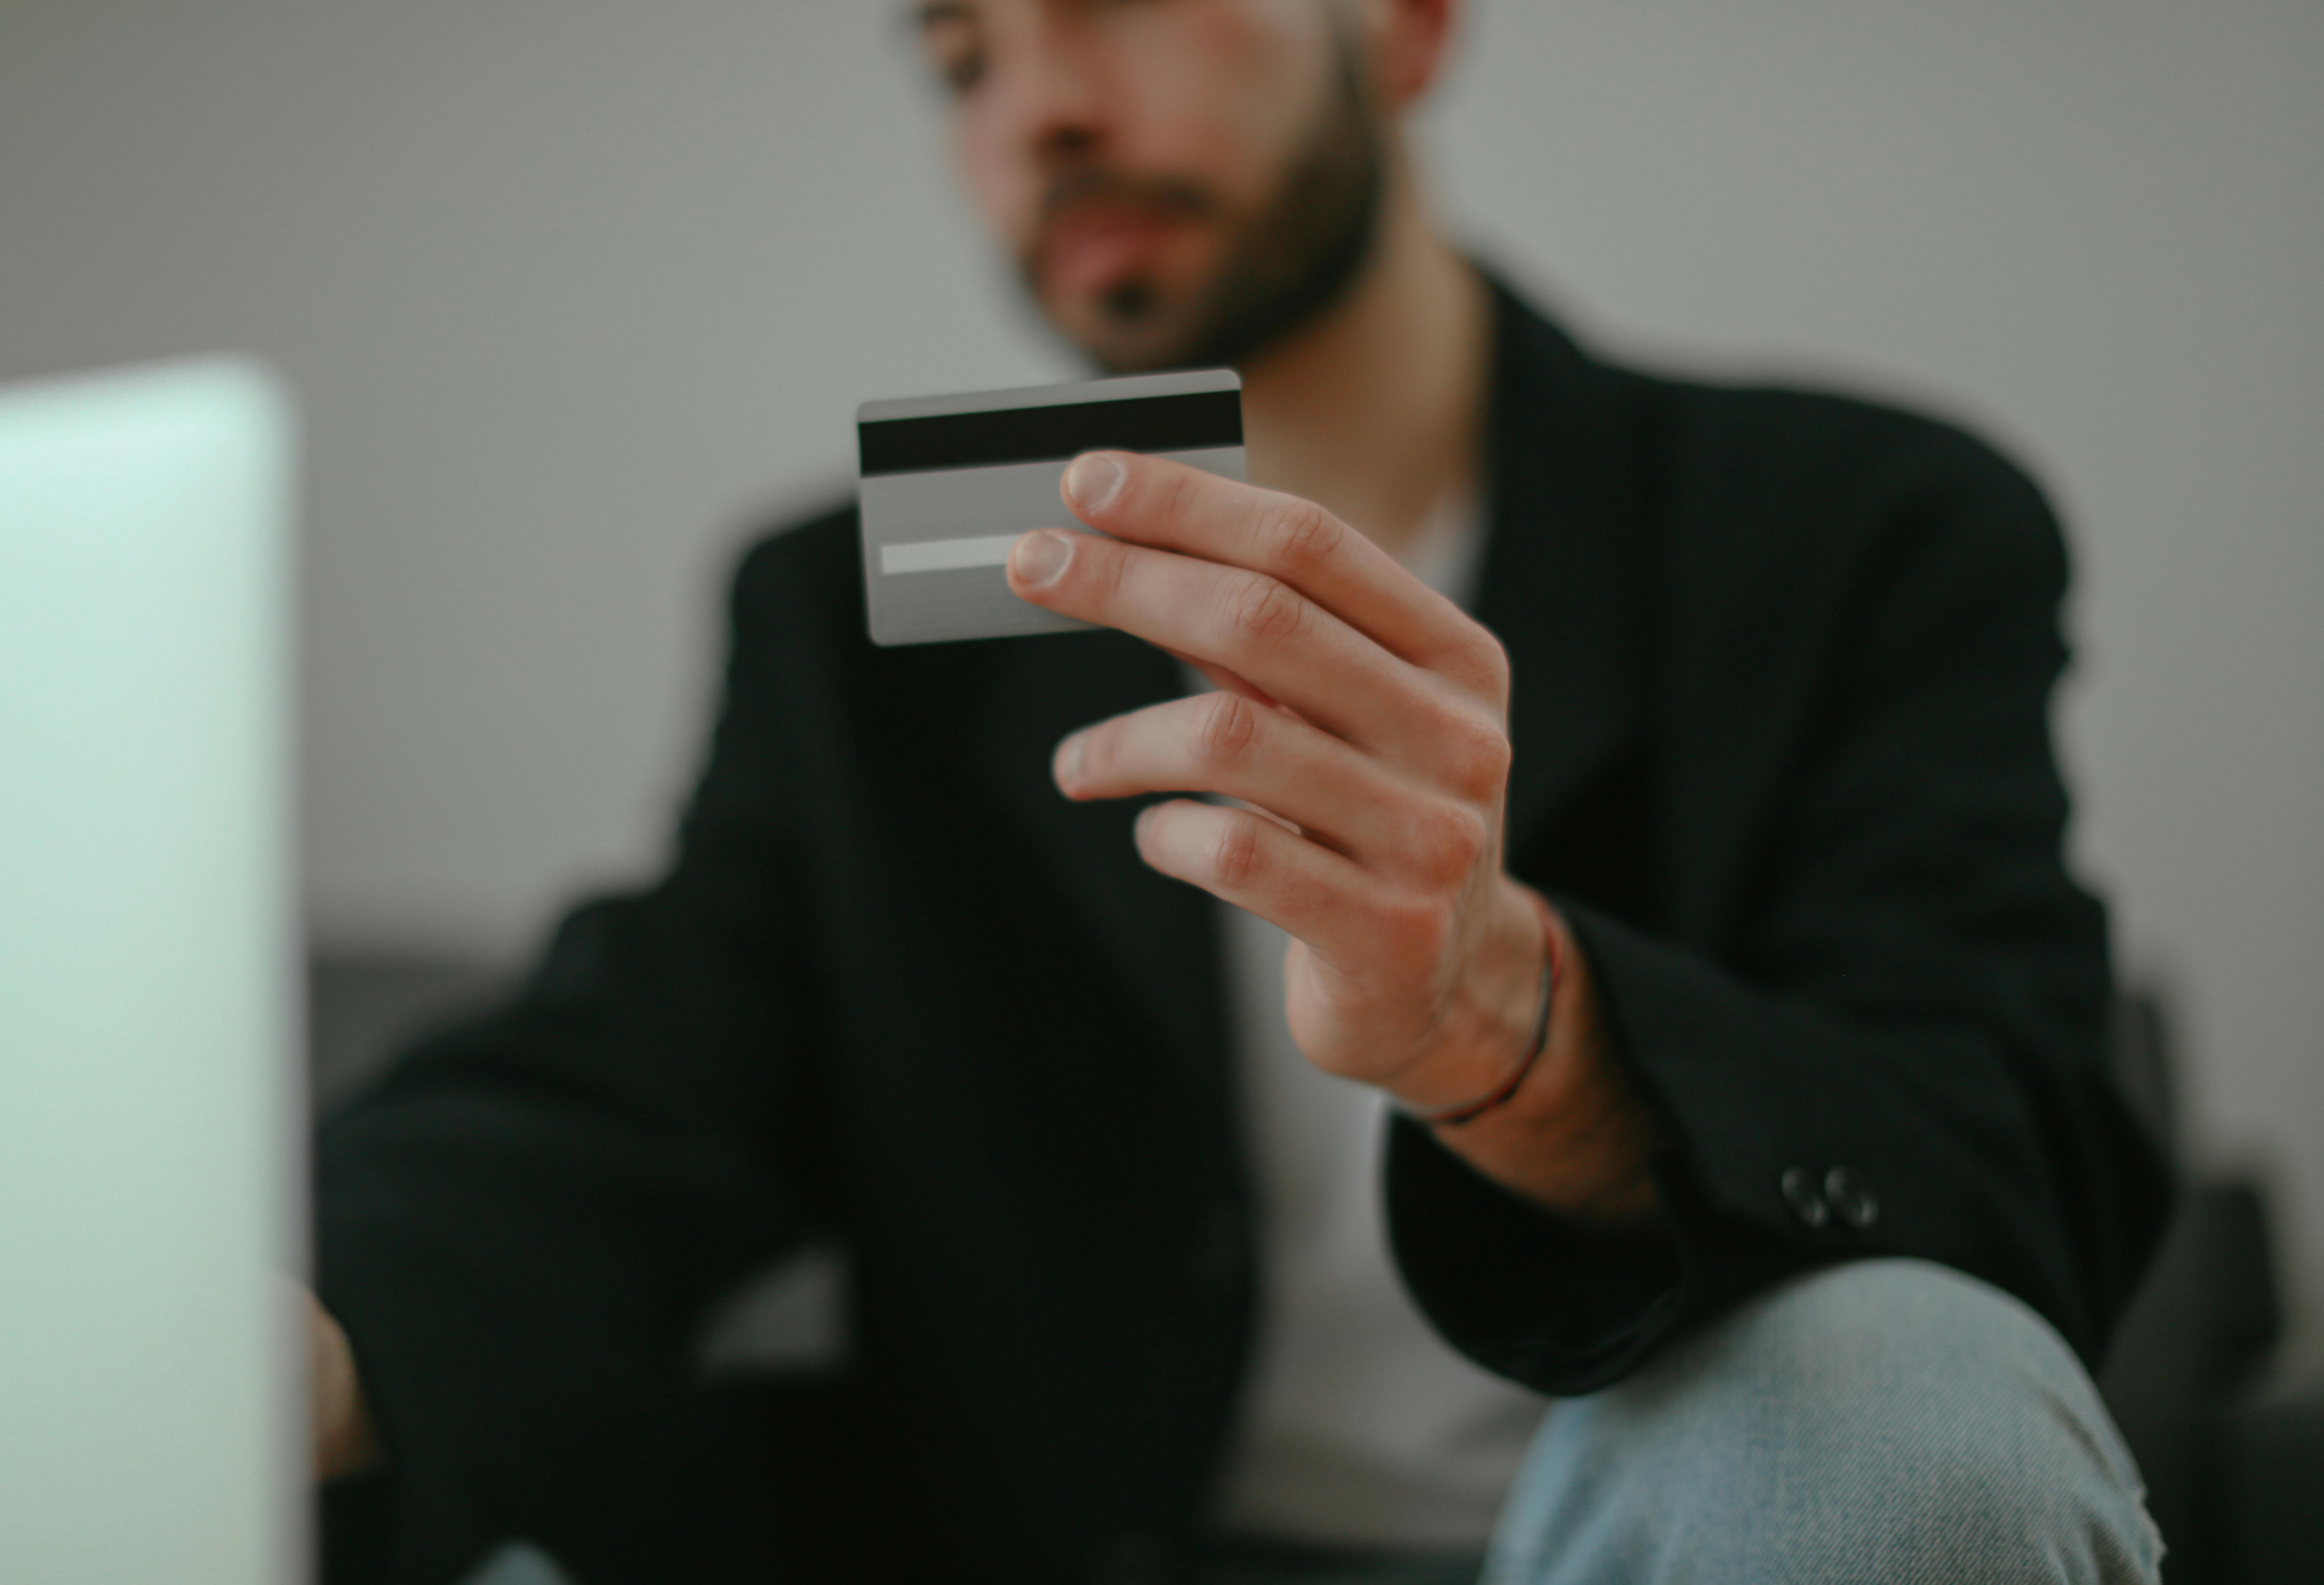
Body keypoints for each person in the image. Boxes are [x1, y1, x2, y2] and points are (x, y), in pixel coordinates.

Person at [310, 2, 2174, 1581]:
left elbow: (1996, 1147)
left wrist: (1518, 1029)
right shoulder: (855, 604)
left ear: (1411, 25)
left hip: (1667, 1523)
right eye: (962, 57)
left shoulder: (1858, 528)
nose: (1040, 105)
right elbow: (622, 1092)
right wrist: (273, 1351)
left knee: (1904, 1394)